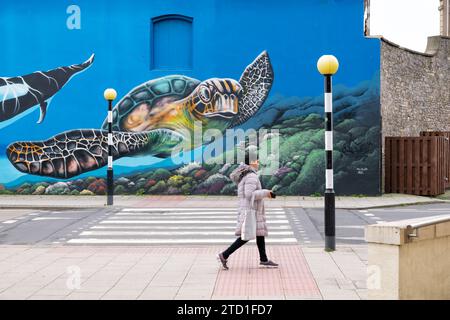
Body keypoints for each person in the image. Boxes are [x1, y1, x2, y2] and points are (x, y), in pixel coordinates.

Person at [216, 151, 278, 270]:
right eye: (257, 160)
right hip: (251, 210)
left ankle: (264, 259)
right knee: (246, 236)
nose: (258, 162)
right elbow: (249, 194)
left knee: (259, 234)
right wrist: (266, 193)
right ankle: (224, 255)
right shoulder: (251, 176)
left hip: (250, 209)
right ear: (252, 162)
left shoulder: (246, 174)